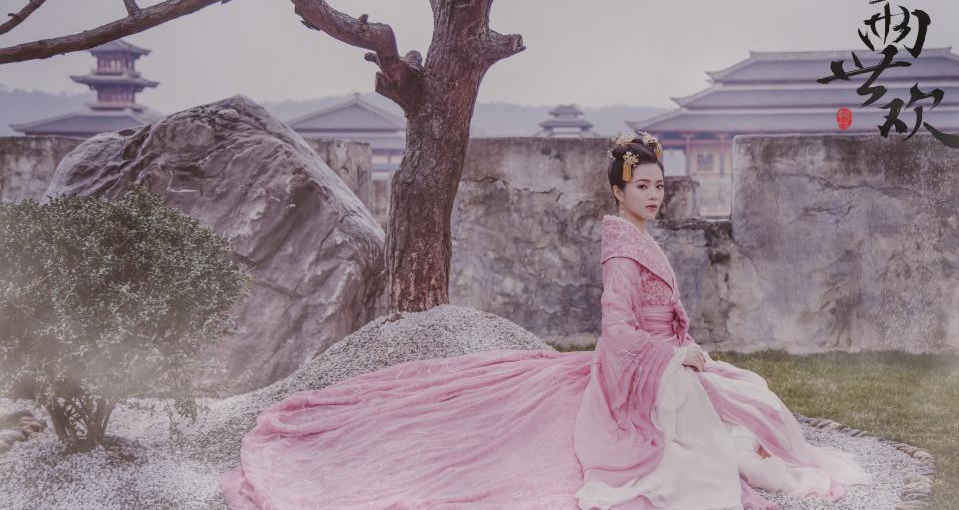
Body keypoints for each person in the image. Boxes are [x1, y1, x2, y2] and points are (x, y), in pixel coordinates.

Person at [219, 133, 872, 510]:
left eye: (659, 185)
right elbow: (618, 330)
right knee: (702, 439)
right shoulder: (622, 248)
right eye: (642, 186)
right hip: (640, 370)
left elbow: (664, 321)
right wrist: (672, 358)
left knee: (746, 393)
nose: (654, 194)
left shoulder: (640, 239)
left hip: (663, 362)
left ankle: (741, 438)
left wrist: (687, 349)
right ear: (618, 191)